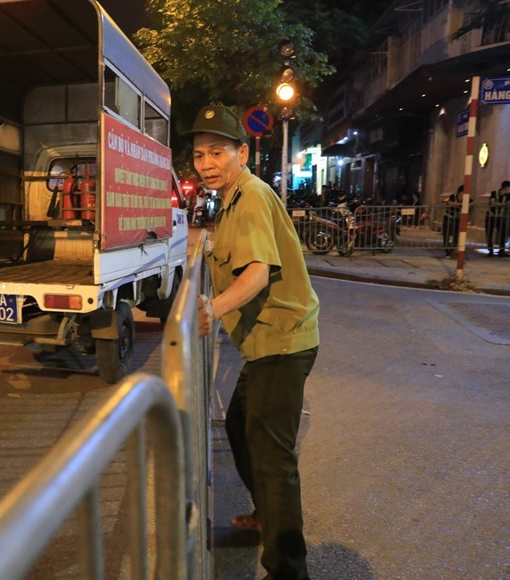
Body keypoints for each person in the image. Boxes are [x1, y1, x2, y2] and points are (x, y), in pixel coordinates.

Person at [187, 105, 320, 579]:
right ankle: (267, 514)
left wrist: (210, 309)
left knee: (272, 458)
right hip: (266, 343)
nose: (206, 163)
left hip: (282, 342)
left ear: (241, 153)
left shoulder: (251, 196)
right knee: (242, 422)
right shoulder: (232, 197)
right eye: (200, 154)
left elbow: (257, 272)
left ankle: (288, 569)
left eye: (217, 152)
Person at [486, 180, 510, 257]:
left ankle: (502, 250)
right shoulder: (494, 193)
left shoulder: (509, 195)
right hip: (491, 216)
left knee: (503, 233)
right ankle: (490, 250)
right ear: (506, 188)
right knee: (489, 233)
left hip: (500, 217)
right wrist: (504, 204)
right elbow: (492, 203)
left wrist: (500, 204)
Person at [442, 185, 465, 258]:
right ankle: (447, 252)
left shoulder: (465, 198)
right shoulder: (453, 196)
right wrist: (460, 204)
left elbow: (473, 203)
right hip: (448, 218)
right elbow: (450, 203)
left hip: (457, 219)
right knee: (447, 235)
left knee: (456, 236)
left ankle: (451, 248)